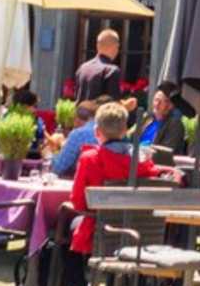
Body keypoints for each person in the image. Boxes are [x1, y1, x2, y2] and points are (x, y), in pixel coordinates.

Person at [68, 101, 178, 258]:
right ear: (125, 130)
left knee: (68, 222)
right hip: (141, 235)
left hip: (102, 231)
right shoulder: (143, 162)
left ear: (97, 131)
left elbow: (78, 202)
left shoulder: (90, 159)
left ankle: (70, 274)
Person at [50, 98, 104, 177]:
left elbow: (58, 168)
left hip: (80, 181)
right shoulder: (108, 131)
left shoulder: (78, 134)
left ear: (76, 119)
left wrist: (52, 154)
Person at [72, 29, 123, 104]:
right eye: (118, 47)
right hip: (100, 111)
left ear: (97, 46)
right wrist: (127, 106)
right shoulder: (111, 70)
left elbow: (77, 98)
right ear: (115, 46)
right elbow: (113, 105)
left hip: (81, 111)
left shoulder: (82, 68)